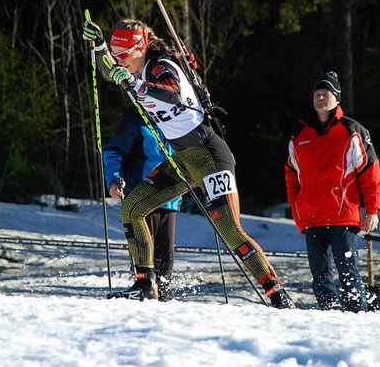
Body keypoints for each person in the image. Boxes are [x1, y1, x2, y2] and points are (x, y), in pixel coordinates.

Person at [83, 17, 295, 308]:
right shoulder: (135, 68)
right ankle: (145, 284)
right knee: (132, 207)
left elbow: (169, 93)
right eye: (117, 56)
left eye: (124, 55)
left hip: (209, 155)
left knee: (230, 229)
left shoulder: (161, 67)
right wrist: (99, 46)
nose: (120, 62)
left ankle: (277, 293)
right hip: (181, 159)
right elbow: (110, 72)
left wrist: (136, 83)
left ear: (141, 47)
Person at [284, 71, 380, 312]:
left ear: (337, 99)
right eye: (317, 94)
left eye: (325, 94)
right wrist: (297, 211)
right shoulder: (299, 134)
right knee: (320, 277)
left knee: (348, 273)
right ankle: (328, 320)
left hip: (343, 216)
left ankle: (356, 316)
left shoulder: (352, 130)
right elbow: (291, 176)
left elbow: (370, 172)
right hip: (312, 218)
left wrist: (372, 209)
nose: (320, 98)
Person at [103, 106, 182, 302]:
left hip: (170, 197)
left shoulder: (176, 115)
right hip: (141, 195)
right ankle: (144, 290)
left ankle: (162, 298)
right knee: (146, 256)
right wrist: (114, 179)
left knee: (165, 261)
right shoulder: (135, 117)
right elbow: (114, 151)